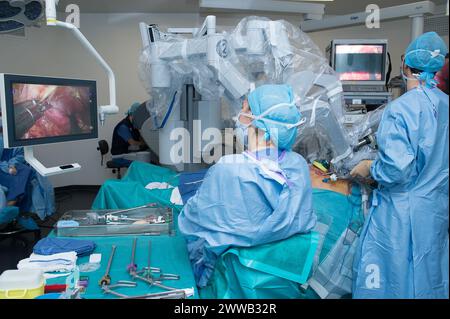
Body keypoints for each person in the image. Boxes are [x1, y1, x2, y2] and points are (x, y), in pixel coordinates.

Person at [178, 84, 316, 287]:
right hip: (282, 282)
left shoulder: (229, 170)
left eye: (244, 110)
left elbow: (190, 225)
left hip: (231, 281)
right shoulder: (298, 165)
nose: (238, 117)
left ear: (258, 122)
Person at [350, 32, 449, 299]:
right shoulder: (446, 104)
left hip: (401, 214)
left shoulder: (400, 109)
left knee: (393, 282)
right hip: (435, 211)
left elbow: (396, 170)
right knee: (430, 277)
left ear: (405, 66)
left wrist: (370, 167)